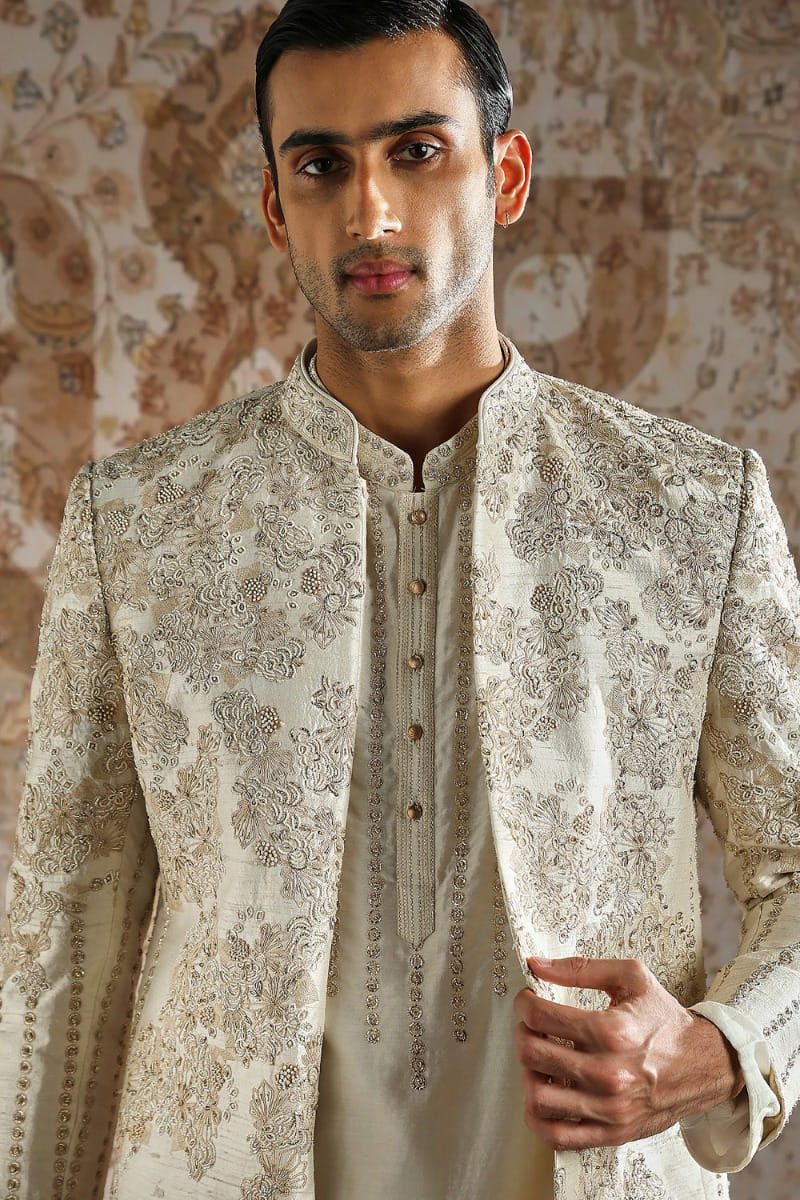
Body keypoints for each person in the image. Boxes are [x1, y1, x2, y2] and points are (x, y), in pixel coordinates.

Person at [0, 1, 798, 1197]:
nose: (369, 211)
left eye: (416, 151)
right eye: (321, 165)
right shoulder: (141, 522)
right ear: (276, 205)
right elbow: (66, 940)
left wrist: (723, 1051)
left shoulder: (687, 505)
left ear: (504, 175)